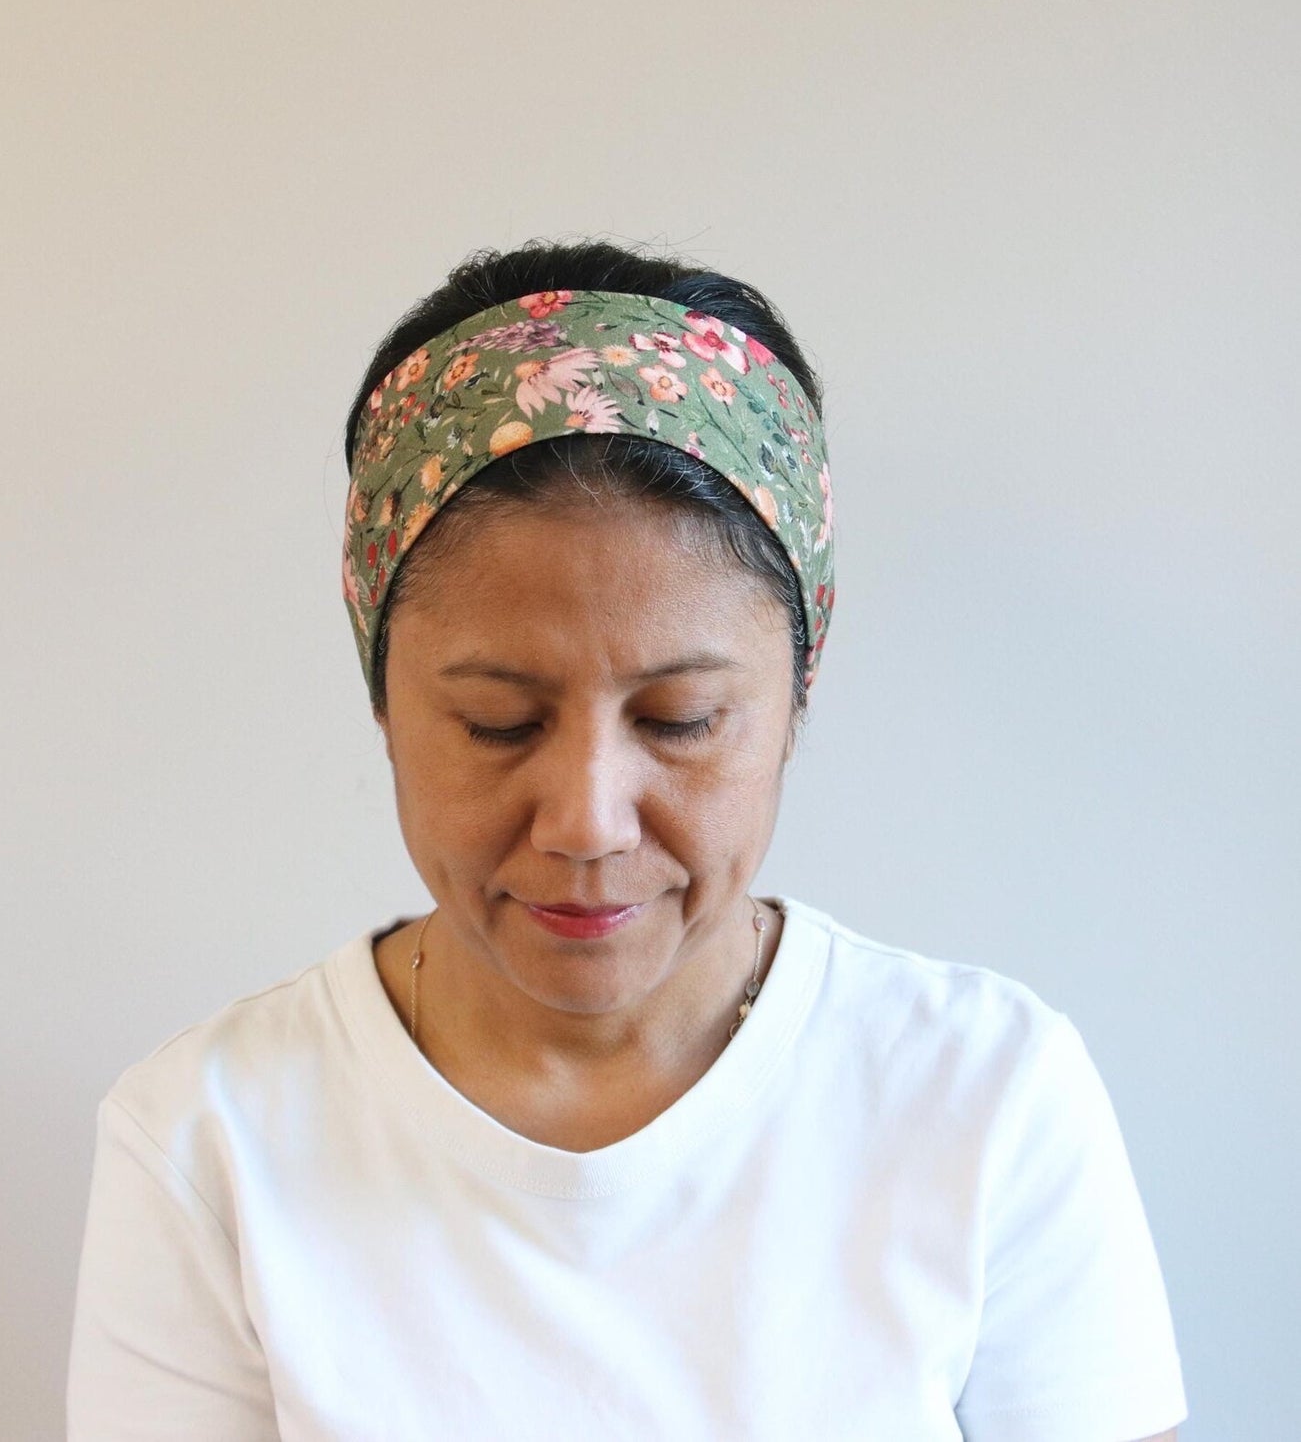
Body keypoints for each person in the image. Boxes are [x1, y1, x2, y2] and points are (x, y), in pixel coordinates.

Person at [67, 239, 1187, 1440]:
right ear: (383, 699)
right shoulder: (207, 1137)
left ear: (795, 695)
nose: (588, 822)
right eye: (498, 721)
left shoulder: (983, 1097)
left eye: (680, 719)